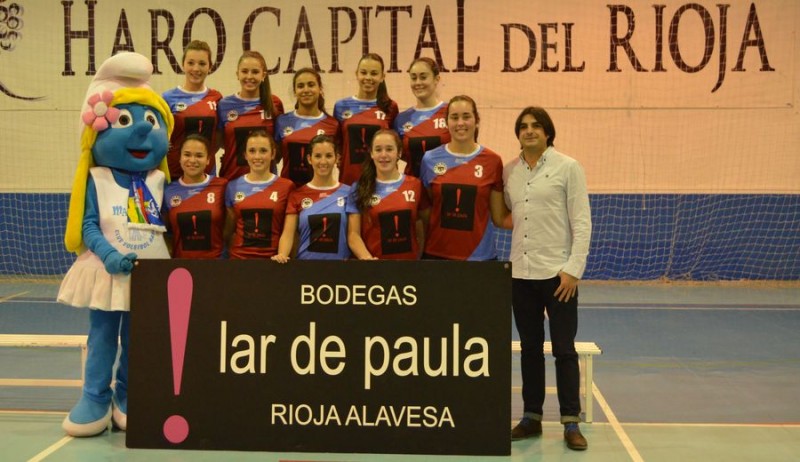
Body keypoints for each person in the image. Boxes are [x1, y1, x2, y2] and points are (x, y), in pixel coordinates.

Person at [57, 52, 173, 436]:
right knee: (103, 334)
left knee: (138, 339)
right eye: (125, 121)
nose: (141, 132)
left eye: (150, 121)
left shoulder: (158, 180)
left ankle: (128, 395)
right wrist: (107, 254)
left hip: (149, 274)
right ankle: (94, 395)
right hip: (108, 271)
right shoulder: (98, 176)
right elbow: (88, 223)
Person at [502, 107, 592, 451]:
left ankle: (571, 421)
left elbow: (581, 222)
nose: (529, 131)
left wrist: (572, 270)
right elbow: (511, 216)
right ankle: (531, 417)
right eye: (523, 127)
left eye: (536, 126)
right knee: (529, 350)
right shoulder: (511, 172)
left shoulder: (567, 167)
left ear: (547, 132)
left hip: (559, 277)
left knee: (565, 350)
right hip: (521, 275)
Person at [418, 95, 504, 261]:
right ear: (446, 122)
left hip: (480, 257)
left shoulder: (492, 161)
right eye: (454, 117)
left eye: (466, 116)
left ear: (476, 120)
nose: (460, 123)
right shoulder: (429, 160)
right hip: (437, 254)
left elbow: (498, 215)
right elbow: (429, 208)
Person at [347, 129, 429, 260]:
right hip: (375, 268)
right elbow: (353, 234)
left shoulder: (415, 185)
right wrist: (367, 259)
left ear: (399, 153)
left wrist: (418, 257)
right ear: (371, 153)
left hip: (409, 268)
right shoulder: (359, 188)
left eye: (389, 149)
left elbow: (421, 225)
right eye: (378, 150)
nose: (383, 155)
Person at [273, 135, 351, 262]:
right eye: (318, 156)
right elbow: (288, 233)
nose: (323, 161)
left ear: (337, 158)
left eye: (329, 156)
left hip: (340, 269)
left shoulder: (349, 193)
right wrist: (282, 254)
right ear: (309, 159)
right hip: (306, 267)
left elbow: (354, 235)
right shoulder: (297, 195)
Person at [224, 130, 294, 259]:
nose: (257, 156)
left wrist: (282, 254)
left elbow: (289, 231)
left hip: (273, 262)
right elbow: (229, 231)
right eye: (252, 151)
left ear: (272, 154)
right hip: (238, 261)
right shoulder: (232, 186)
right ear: (245, 155)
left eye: (263, 151)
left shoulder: (286, 186)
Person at [217, 51, 284, 181]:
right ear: (237, 74)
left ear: (263, 75)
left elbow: (279, 146)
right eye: (244, 71)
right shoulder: (224, 105)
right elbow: (220, 142)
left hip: (266, 181)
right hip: (232, 179)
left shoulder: (274, 104)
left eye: (255, 72)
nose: (249, 76)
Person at [333, 53, 399, 185]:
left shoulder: (390, 107)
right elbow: (337, 144)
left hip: (381, 181)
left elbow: (396, 145)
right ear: (356, 74)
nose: (368, 77)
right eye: (364, 72)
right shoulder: (341, 106)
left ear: (382, 77)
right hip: (349, 180)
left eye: (374, 73)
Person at [162, 40, 222, 181]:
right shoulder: (168, 98)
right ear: (183, 65)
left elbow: (219, 136)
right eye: (191, 63)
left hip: (207, 175)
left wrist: (205, 155)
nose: (196, 68)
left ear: (210, 67)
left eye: (202, 63)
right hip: (175, 174)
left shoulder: (216, 98)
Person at [162, 134, 228, 259]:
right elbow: (164, 231)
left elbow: (231, 225)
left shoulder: (222, 186)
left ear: (208, 159)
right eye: (187, 155)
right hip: (182, 266)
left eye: (199, 155)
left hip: (218, 265)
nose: (192, 160)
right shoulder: (168, 191)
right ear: (180, 158)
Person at [276, 67, 340, 186]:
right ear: (295, 91)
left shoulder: (333, 124)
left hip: (320, 192)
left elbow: (339, 161)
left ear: (320, 89)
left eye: (311, 85)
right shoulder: (282, 121)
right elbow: (273, 158)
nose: (306, 90)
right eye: (300, 86)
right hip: (290, 192)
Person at [393, 57, 450, 178]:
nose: (418, 82)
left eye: (423, 77)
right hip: (413, 190)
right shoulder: (401, 119)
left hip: (444, 189)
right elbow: (398, 155)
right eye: (414, 78)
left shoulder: (450, 113)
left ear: (437, 79)